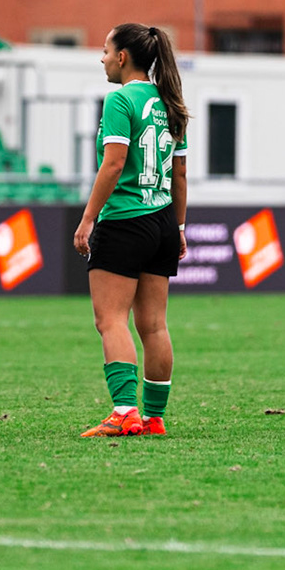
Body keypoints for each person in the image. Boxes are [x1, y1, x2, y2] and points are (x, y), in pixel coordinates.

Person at [72, 24, 189, 437]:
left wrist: (88, 218)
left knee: (111, 320)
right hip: (161, 221)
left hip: (125, 218)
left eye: (105, 50)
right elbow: (180, 172)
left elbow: (114, 164)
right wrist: (178, 227)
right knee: (154, 325)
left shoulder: (120, 99)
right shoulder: (170, 101)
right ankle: (154, 417)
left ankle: (124, 412)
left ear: (122, 57)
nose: (101, 58)